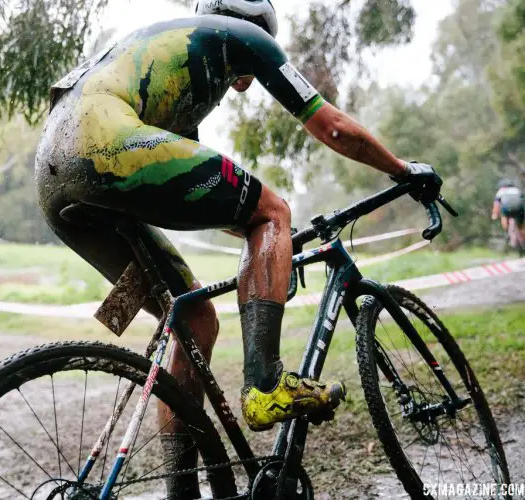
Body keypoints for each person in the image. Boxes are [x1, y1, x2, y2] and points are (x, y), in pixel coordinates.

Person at [35, 0, 442, 495]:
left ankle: (181, 488)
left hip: (54, 169)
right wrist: (404, 170)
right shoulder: (246, 39)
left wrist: (271, 250)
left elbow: (199, 200)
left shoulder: (172, 63)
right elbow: (331, 128)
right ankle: (266, 385)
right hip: (105, 137)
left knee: (196, 320)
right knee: (274, 210)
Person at [491, 179, 525, 244]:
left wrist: (494, 214)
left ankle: (507, 230)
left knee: (503, 216)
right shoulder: (516, 190)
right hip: (519, 209)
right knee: (521, 226)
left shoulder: (500, 191)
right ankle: (523, 239)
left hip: (507, 209)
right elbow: (522, 201)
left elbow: (496, 204)